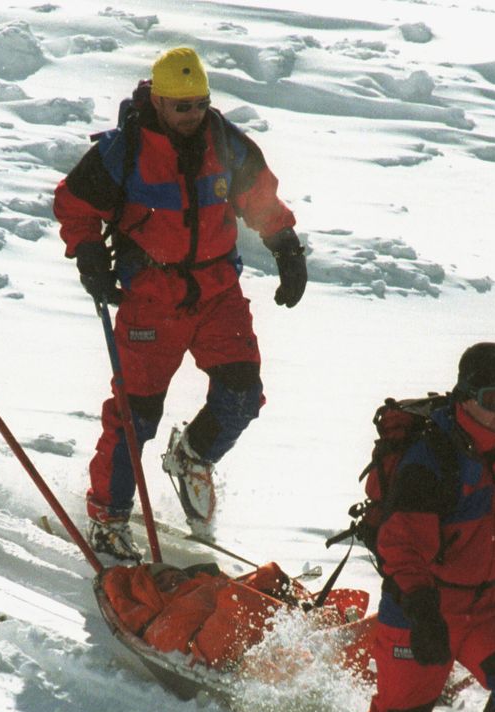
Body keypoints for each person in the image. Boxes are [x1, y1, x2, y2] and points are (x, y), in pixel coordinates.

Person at [53, 46, 306, 562]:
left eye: (201, 104)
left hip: (217, 290)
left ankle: (193, 455)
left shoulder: (225, 144)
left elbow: (260, 197)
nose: (194, 115)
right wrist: (88, 253)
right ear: (159, 102)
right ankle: (108, 516)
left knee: (242, 395)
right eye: (182, 106)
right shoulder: (125, 151)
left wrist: (285, 246)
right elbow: (74, 202)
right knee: (135, 416)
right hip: (152, 294)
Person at [343, 342, 495, 712]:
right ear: (467, 397)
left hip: (492, 600)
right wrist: (422, 612)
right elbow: (401, 547)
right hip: (423, 603)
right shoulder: (432, 459)